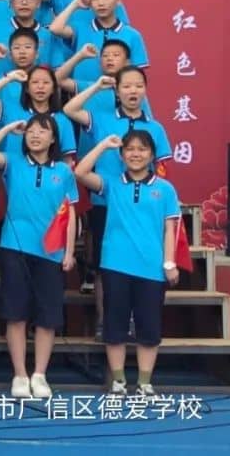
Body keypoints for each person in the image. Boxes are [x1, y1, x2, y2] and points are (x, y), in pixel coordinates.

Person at [64, 68, 171, 339]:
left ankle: (136, 322)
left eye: (138, 86)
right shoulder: (103, 119)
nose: (133, 91)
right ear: (117, 90)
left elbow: (161, 169)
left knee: (141, 262)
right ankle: (106, 321)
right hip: (106, 200)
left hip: (144, 208)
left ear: (145, 90)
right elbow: (70, 109)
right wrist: (96, 87)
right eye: (126, 86)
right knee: (106, 265)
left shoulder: (155, 128)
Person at [75, 132, 181, 397]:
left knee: (149, 327)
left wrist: (169, 262)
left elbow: (170, 229)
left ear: (152, 155)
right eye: (130, 149)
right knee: (115, 325)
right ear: (121, 156)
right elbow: (80, 172)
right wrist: (103, 145)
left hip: (151, 268)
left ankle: (144, 382)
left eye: (142, 149)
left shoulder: (165, 189)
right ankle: (119, 380)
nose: (135, 154)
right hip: (115, 265)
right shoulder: (112, 184)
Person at [0, 115, 78, 399]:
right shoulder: (13, 162)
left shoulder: (64, 171)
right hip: (15, 247)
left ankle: (39, 374)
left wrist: (69, 251)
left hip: (51, 251)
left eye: (42, 131)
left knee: (47, 317)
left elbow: (70, 212)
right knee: (16, 314)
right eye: (31, 131)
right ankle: (20, 375)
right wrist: (8, 128)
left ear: (53, 139)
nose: (35, 135)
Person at [49, 0, 148, 81]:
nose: (100, 3)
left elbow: (137, 76)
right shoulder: (80, 28)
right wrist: (75, 4)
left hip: (117, 91)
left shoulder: (132, 35)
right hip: (83, 90)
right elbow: (55, 29)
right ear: (90, 2)